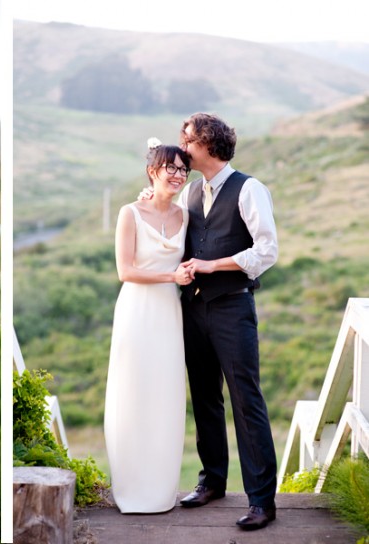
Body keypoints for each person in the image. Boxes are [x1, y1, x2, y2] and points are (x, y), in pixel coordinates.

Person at [176, 113, 279, 530]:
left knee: (245, 400)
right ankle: (212, 482)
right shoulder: (189, 193)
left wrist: (213, 265)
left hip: (233, 307)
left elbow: (266, 250)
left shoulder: (249, 189)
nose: (181, 146)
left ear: (207, 143)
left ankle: (261, 502)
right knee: (204, 396)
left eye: (186, 139)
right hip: (193, 309)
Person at [104, 140, 193, 513]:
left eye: (182, 170)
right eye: (169, 168)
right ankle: (130, 490)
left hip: (169, 318)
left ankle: (160, 491)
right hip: (137, 313)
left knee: (165, 398)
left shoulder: (186, 215)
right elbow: (126, 271)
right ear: (153, 171)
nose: (176, 175)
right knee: (132, 394)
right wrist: (172, 276)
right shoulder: (130, 212)